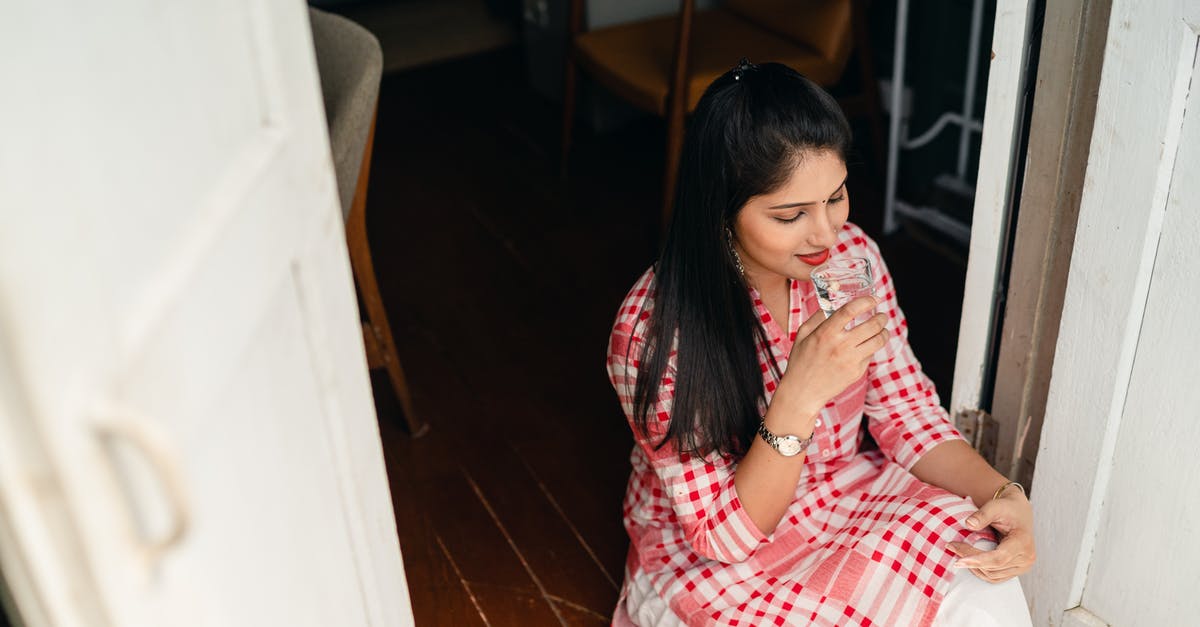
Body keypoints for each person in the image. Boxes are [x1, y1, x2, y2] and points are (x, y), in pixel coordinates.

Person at [605, 60, 1036, 626]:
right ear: (720, 211)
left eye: (835, 197)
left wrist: (1004, 493)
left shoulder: (852, 259)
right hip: (716, 553)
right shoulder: (654, 331)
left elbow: (905, 411)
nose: (827, 234)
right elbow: (723, 535)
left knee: (984, 584)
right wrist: (798, 396)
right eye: (790, 215)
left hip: (844, 493)